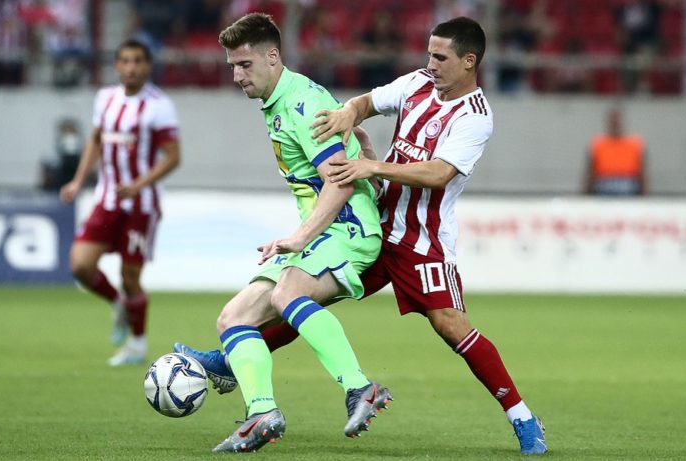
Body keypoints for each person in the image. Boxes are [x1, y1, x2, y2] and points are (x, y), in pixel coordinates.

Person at [184, 16, 548, 456]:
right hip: (374, 218)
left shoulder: (476, 117)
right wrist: (346, 115)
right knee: (301, 299)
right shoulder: (416, 84)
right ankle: (236, 360)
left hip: (420, 238)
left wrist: (372, 165)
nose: (430, 64)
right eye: (428, 54)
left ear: (469, 61)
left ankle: (523, 418)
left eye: (440, 57)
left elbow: (439, 173)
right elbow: (366, 103)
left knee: (451, 327)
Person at [174, 13, 392, 454]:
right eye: (232, 66)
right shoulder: (281, 102)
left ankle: (360, 388)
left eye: (245, 65)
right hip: (324, 231)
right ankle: (262, 413)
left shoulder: (303, 103)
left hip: (348, 227)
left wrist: (300, 237)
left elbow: (340, 180)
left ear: (273, 57)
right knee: (233, 318)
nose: (237, 76)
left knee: (287, 294)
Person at [59, 38, 181, 367]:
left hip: (141, 205)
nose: (131, 67)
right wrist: (78, 181)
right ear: (117, 65)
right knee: (80, 265)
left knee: (130, 276)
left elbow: (173, 157)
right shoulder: (105, 99)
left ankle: (137, 345)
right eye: (125, 61)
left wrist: (138, 184)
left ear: (148, 66)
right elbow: (95, 141)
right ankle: (119, 305)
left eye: (138, 61)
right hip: (107, 200)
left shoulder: (159, 105)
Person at [584, 107, 647, 196]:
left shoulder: (635, 145)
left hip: (628, 190)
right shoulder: (597, 145)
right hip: (602, 190)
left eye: (617, 121)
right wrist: (586, 196)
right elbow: (589, 174)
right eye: (613, 121)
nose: (615, 124)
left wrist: (643, 197)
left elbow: (643, 175)